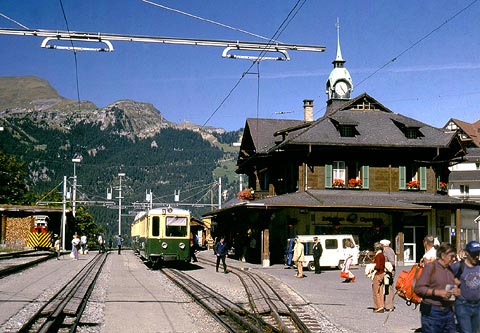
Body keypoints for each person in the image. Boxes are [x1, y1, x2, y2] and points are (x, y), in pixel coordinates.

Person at [414, 243, 460, 333]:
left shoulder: (450, 269)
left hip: (448, 312)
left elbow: (452, 285)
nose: (454, 259)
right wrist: (436, 292)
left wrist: (457, 291)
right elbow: (418, 288)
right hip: (432, 313)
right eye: (451, 256)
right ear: (443, 256)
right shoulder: (430, 268)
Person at [450, 241, 480, 333]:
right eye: (474, 254)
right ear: (467, 253)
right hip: (463, 306)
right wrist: (450, 291)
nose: (477, 256)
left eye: (478, 253)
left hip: (478, 306)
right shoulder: (458, 266)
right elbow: (445, 279)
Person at [380, 239, 396, 311]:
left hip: (389, 271)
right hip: (387, 271)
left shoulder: (388, 251)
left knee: (388, 288)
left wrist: (385, 264)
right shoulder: (387, 250)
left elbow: (392, 262)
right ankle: (386, 304)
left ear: (383, 245)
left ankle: (389, 306)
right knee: (386, 288)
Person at [372, 241, 385, 313]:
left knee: (375, 291)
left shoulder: (378, 255)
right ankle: (382, 305)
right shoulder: (382, 255)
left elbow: (377, 266)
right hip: (382, 273)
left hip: (378, 274)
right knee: (380, 291)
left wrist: (372, 268)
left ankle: (377, 306)